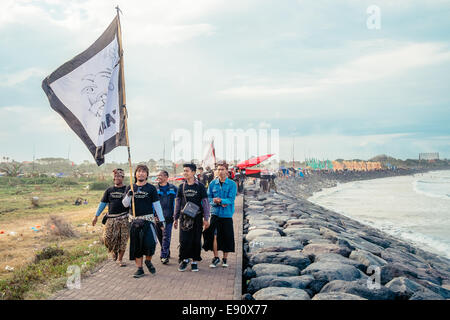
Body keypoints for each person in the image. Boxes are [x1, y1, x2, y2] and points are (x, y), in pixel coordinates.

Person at [122, 164, 165, 278]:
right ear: (135, 174)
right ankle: (139, 269)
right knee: (137, 246)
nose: (141, 173)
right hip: (134, 222)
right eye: (139, 171)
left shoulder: (151, 188)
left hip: (148, 221)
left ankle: (148, 260)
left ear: (147, 174)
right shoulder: (130, 187)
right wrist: (128, 195)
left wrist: (161, 220)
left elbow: (157, 205)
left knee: (150, 244)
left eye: (143, 171)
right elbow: (125, 204)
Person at [173, 163, 210, 272]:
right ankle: (184, 260)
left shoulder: (200, 186)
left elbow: (205, 203)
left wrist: (206, 218)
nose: (185, 173)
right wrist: (175, 218)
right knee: (184, 240)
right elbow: (178, 203)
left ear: (193, 172)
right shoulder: (181, 186)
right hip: (184, 218)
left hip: (197, 217)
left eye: (187, 171)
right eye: (184, 170)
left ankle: (194, 261)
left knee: (196, 240)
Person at [92, 168, 130, 267]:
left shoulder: (127, 189)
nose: (117, 178)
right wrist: (96, 216)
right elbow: (102, 204)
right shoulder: (109, 190)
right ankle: (113, 250)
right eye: (115, 176)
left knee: (123, 239)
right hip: (111, 218)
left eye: (119, 176)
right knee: (107, 238)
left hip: (124, 218)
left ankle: (120, 260)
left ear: (123, 178)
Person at [203, 161, 237, 268]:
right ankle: (216, 257)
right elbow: (208, 198)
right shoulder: (213, 183)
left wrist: (222, 201)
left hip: (227, 214)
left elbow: (231, 199)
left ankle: (225, 258)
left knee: (226, 236)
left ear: (227, 171)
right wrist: (215, 201)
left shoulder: (232, 184)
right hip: (215, 213)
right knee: (214, 236)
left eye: (222, 169)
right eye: (218, 169)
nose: (220, 171)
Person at [155, 170, 178, 264]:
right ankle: (166, 251)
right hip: (157, 217)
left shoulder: (174, 188)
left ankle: (164, 256)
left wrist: (176, 215)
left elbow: (178, 201)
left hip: (169, 216)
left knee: (166, 236)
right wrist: (153, 215)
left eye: (160, 175)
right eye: (158, 175)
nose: (158, 177)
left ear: (166, 177)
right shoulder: (154, 189)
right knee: (160, 236)